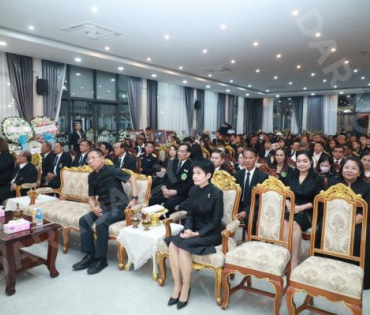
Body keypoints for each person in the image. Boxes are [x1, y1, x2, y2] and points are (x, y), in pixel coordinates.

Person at [165, 160, 223, 309]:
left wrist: (197, 233)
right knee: (172, 244)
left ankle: (186, 288)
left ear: (208, 175)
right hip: (194, 229)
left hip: (210, 232)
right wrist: (188, 230)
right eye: (193, 173)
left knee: (184, 247)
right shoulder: (193, 190)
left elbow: (216, 222)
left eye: (198, 173)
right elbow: (190, 214)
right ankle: (177, 285)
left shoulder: (217, 193)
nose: (194, 176)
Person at [73, 148, 138, 275]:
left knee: (101, 223)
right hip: (104, 207)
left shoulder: (112, 170)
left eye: (93, 158)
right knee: (84, 221)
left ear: (102, 158)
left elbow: (132, 179)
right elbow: (91, 198)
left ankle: (101, 259)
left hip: (119, 206)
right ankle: (90, 255)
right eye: (88, 159)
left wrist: (134, 199)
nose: (90, 161)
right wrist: (93, 207)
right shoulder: (91, 176)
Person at [316, 157, 370, 290]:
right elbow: (326, 206)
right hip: (333, 221)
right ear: (341, 169)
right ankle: (324, 271)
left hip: (357, 221)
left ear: (359, 172)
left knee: (361, 236)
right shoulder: (333, 183)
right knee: (322, 230)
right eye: (347, 167)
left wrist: (347, 224)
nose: (349, 170)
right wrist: (336, 224)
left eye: (353, 168)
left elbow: (365, 211)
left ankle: (354, 276)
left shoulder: (367, 187)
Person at [282, 151, 324, 269]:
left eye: (305, 161)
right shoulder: (291, 176)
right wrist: (288, 204)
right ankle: (286, 257)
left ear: (310, 162)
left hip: (308, 211)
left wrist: (301, 207)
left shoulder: (317, 179)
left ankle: (294, 260)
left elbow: (317, 200)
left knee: (294, 224)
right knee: (285, 223)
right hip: (291, 208)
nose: (301, 164)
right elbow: (286, 193)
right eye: (299, 161)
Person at [149, 143, 193, 214]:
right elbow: (165, 178)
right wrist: (164, 188)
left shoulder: (191, 166)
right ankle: (156, 221)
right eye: (178, 151)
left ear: (188, 154)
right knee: (151, 201)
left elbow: (190, 184)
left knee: (168, 205)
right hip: (166, 190)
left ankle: (167, 223)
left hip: (180, 193)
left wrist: (176, 191)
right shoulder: (172, 162)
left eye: (182, 152)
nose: (179, 153)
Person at [234, 148, 268, 225]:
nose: (247, 160)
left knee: (251, 219)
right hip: (238, 207)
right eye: (245, 158)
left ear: (256, 158)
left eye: (250, 158)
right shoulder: (238, 174)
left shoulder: (262, 176)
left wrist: (246, 211)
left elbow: (260, 198)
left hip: (254, 208)